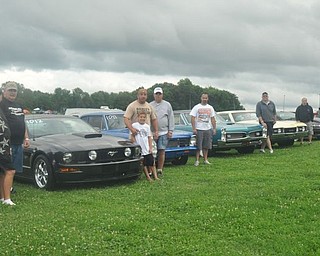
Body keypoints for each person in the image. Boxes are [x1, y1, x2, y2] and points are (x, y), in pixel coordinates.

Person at [0, 81, 30, 193]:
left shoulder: (19, 105)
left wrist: (26, 138)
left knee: (14, 168)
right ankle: (5, 191)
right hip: (6, 142)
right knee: (6, 168)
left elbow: (23, 122)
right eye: (10, 90)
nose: (12, 93)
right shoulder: (2, 104)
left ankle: (9, 187)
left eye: (14, 91)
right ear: (4, 91)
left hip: (18, 142)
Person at [150, 87, 174, 175]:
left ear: (162, 95)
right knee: (151, 151)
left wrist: (170, 130)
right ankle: (151, 169)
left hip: (164, 132)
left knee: (161, 150)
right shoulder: (150, 105)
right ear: (154, 95)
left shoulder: (167, 105)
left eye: (160, 94)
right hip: (152, 132)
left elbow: (171, 118)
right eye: (156, 94)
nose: (158, 95)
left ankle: (160, 168)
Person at [130, 111, 159, 182]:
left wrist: (150, 148)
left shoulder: (147, 126)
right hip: (140, 148)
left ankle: (155, 177)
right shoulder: (134, 125)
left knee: (152, 163)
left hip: (147, 148)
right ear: (138, 118)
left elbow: (149, 137)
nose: (142, 118)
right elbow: (132, 136)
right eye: (141, 117)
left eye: (144, 117)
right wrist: (135, 144)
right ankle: (148, 177)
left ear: (146, 118)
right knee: (143, 164)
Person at [190, 93, 216, 166]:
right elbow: (192, 117)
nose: (204, 99)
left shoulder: (210, 108)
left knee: (206, 146)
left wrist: (214, 128)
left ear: (208, 99)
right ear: (201, 98)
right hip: (199, 128)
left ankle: (205, 159)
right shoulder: (196, 107)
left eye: (206, 98)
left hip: (208, 128)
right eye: (203, 98)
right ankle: (197, 160)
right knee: (199, 145)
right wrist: (194, 128)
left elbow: (213, 118)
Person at [0, 90, 16, 206]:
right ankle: (7, 199)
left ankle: (2, 197)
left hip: (4, 145)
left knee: (2, 172)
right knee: (10, 171)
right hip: (2, 146)